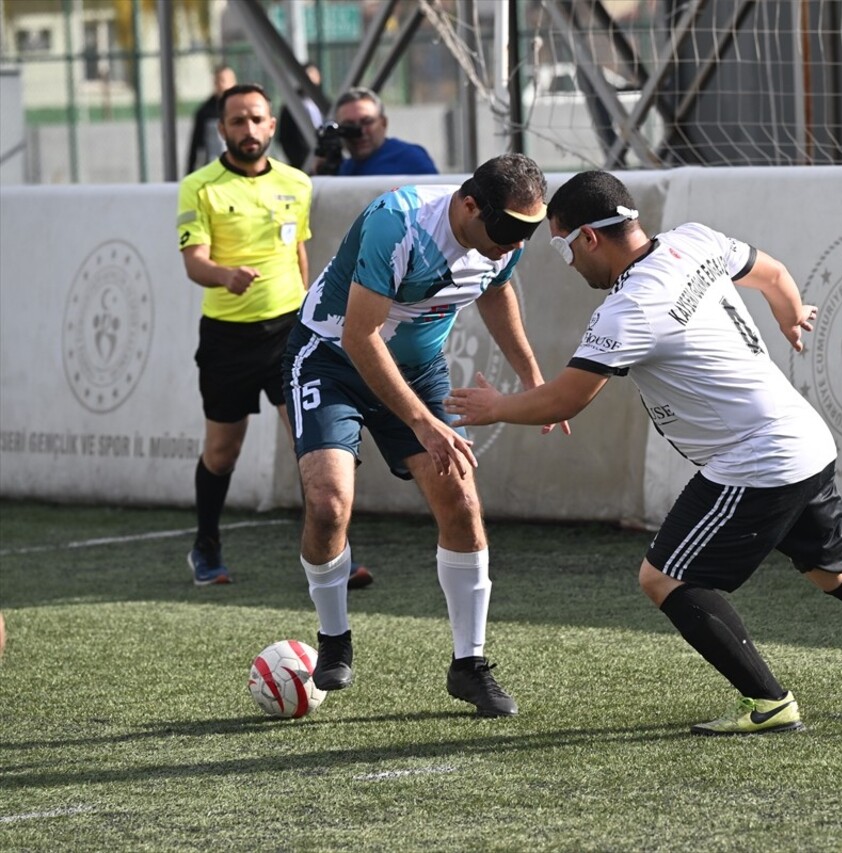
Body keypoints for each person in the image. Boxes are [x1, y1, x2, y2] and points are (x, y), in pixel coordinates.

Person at [444, 170, 842, 735]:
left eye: (560, 248)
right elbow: (774, 274)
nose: (570, 263)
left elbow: (569, 398)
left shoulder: (629, 307)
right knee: (834, 572)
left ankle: (769, 702)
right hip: (803, 436)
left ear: (587, 237)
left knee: (664, 579)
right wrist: (788, 311)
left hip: (759, 458)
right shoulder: (693, 240)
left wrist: (496, 407)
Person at [282, 153, 565, 717]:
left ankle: (470, 665)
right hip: (332, 359)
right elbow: (362, 337)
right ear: (468, 205)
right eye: (507, 230)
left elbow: (496, 290)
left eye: (527, 233)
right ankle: (334, 636)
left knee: (460, 500)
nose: (514, 244)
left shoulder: (503, 238)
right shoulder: (400, 222)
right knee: (329, 504)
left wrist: (533, 378)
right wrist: (419, 420)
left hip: (419, 368)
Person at [177, 82, 372, 590]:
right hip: (227, 337)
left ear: (270, 125)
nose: (248, 129)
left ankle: (336, 556)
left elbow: (300, 255)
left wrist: (312, 312)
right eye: (237, 121)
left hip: (291, 335)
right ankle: (206, 547)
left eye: (256, 119)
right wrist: (225, 275)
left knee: (315, 446)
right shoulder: (199, 186)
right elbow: (193, 260)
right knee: (223, 452)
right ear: (222, 129)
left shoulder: (297, 183)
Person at [318, 86, 438, 177]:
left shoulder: (410, 159)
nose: (360, 132)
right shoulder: (344, 168)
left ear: (383, 123)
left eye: (367, 121)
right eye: (349, 126)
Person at [186, 65, 236, 175]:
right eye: (216, 81)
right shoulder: (205, 112)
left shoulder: (242, 109)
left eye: (223, 81)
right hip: (214, 169)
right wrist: (189, 172)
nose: (220, 85)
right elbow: (195, 145)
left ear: (233, 82)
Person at [276, 63, 324, 170]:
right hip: (302, 163)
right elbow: (285, 138)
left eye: (314, 76)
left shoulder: (324, 103)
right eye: (307, 77)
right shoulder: (291, 106)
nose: (311, 80)